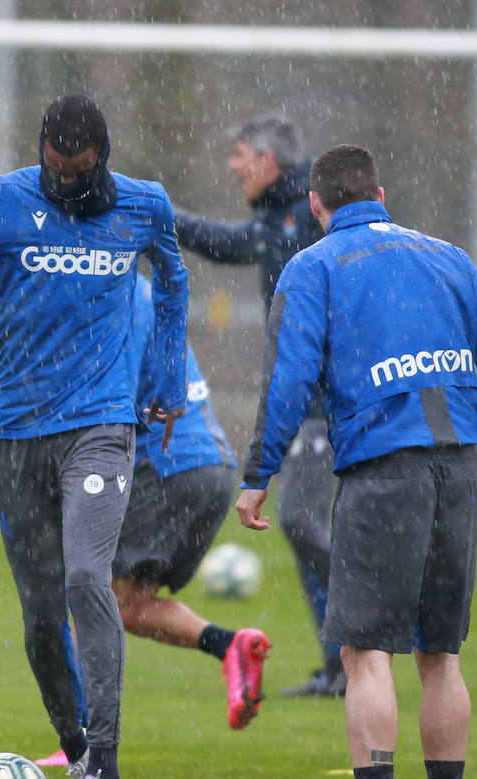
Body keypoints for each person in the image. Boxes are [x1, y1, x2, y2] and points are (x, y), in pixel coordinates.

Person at [235, 144, 477, 779]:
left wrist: (259, 471)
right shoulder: (448, 258)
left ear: (316, 204)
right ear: (382, 193)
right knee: (440, 654)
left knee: (364, 653)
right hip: (456, 463)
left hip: (382, 468)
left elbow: (288, 379)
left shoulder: (314, 267)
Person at [0, 93, 189, 779]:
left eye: (80, 171)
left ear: (103, 156)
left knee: (85, 577)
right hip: (15, 434)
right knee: (41, 617)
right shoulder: (1, 201)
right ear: (41, 150)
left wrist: (165, 379)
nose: (67, 183)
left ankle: (106, 770)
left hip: (101, 425)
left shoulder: (144, 205)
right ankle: (76, 752)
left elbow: (173, 283)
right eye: (55, 169)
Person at [34, 278, 270, 773]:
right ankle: (230, 646)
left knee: (87, 589)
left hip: (163, 466)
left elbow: (105, 395)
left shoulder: (104, 293)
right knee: (126, 603)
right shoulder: (140, 285)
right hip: (209, 466)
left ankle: (81, 740)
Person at [175, 115, 342, 698]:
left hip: (331, 400)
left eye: (241, 154)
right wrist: (164, 216)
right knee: (305, 525)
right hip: (306, 402)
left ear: (268, 161)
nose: (233, 165)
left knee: (299, 518)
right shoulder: (277, 217)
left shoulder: (315, 213)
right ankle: (342, 666)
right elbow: (232, 244)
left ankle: (370, 624)